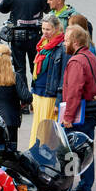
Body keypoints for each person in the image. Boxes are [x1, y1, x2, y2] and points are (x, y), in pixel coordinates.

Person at [60, 24, 96, 191]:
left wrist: (68, 117)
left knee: (69, 151)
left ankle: (67, 185)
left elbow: (74, 91)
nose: (64, 44)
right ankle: (86, 184)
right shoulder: (91, 57)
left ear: (75, 41)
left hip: (79, 114)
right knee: (86, 148)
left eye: (66, 40)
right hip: (91, 112)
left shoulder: (76, 61)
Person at [0, 0, 45, 79]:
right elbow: (47, 9)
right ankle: (36, 92)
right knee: (36, 67)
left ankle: (23, 94)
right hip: (35, 36)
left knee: (19, 69)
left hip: (18, 36)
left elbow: (2, 9)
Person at [28, 14, 66, 149]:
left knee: (46, 128)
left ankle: (45, 154)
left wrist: (58, 101)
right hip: (38, 92)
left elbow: (63, 77)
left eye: (48, 29)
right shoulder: (43, 44)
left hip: (50, 94)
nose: (44, 32)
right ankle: (35, 152)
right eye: (43, 29)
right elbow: (35, 72)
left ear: (56, 29)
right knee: (37, 125)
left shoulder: (62, 47)